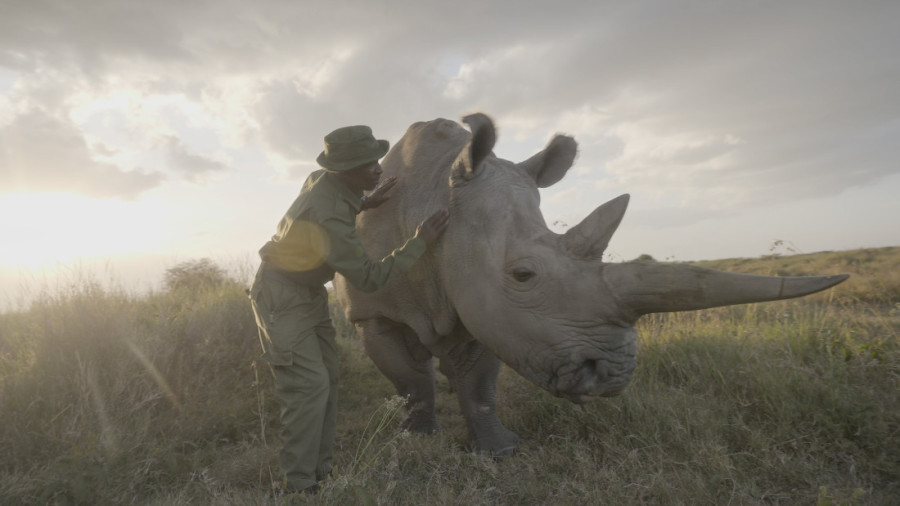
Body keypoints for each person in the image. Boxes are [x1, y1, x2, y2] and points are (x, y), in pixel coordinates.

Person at [248, 125, 449, 496]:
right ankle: (299, 486)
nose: (377, 169)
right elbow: (370, 278)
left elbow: (322, 195)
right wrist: (419, 242)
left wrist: (364, 202)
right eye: (365, 165)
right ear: (343, 171)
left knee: (327, 379)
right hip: (282, 297)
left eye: (374, 159)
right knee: (307, 386)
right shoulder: (332, 221)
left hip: (304, 292)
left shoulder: (323, 180)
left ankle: (319, 474)